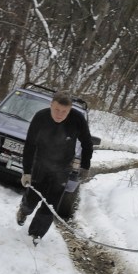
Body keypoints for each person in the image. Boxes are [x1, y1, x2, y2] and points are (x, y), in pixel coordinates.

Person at [16, 90, 94, 244]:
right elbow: (30, 145)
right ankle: (24, 211)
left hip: (62, 168)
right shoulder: (40, 117)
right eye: (57, 109)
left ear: (70, 110)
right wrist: (26, 172)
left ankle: (35, 235)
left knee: (50, 204)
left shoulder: (77, 119)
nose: (60, 114)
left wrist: (85, 166)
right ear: (51, 105)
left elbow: (87, 143)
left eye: (64, 111)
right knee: (31, 200)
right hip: (40, 164)